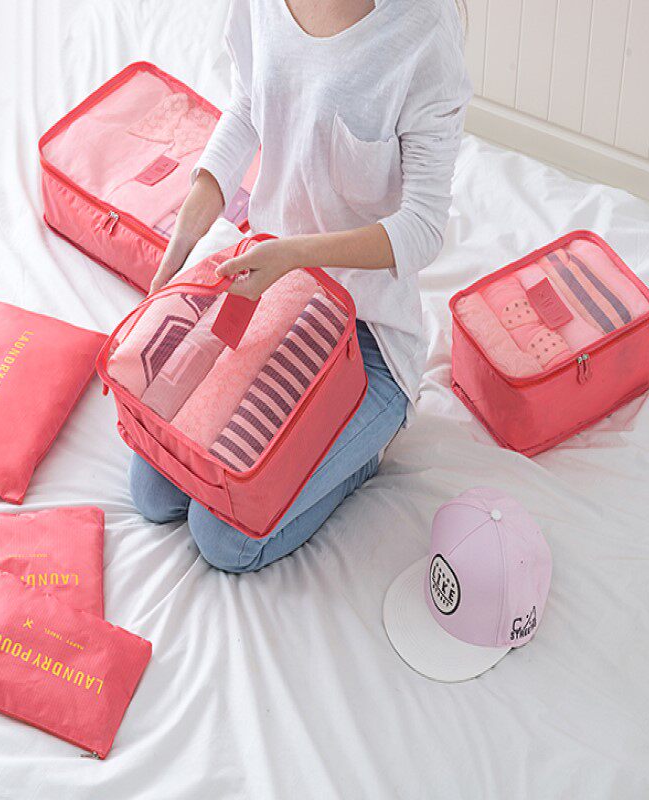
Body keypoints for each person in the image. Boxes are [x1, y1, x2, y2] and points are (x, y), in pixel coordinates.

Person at [131, 0, 472, 572]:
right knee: (156, 492)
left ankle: (365, 451)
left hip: (367, 339)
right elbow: (248, 104)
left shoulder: (424, 30)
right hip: (273, 300)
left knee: (226, 538)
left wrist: (294, 256)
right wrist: (184, 236)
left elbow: (422, 227)